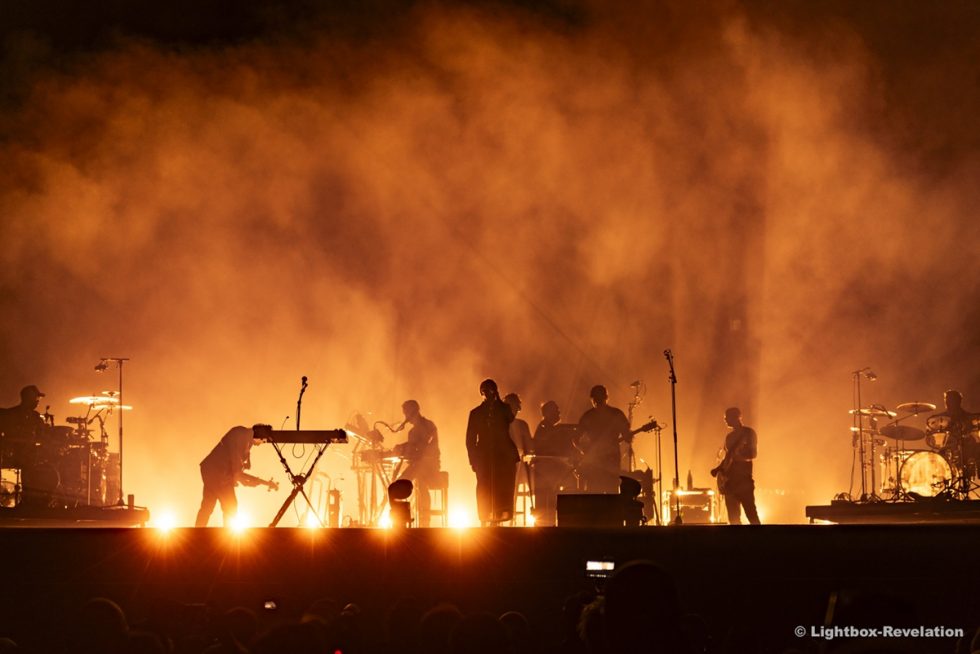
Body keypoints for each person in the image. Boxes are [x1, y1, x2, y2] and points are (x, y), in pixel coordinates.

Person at [195, 423, 275, 527]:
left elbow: (237, 471)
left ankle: (197, 532)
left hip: (211, 470)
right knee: (230, 505)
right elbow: (237, 469)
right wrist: (251, 481)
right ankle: (227, 536)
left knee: (208, 504)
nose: (261, 444)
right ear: (260, 435)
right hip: (219, 473)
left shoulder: (244, 437)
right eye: (263, 441)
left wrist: (253, 481)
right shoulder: (243, 436)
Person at [466, 379, 517, 525]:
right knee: (484, 488)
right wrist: (473, 460)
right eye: (485, 391)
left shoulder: (503, 409)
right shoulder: (475, 413)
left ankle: (500, 518)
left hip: (504, 456)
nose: (488, 394)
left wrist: (499, 402)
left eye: (491, 390)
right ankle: (485, 518)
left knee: (504, 487)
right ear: (481, 393)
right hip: (484, 457)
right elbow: (470, 439)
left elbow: (510, 418)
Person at [530, 400, 579, 525]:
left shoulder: (550, 428)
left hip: (554, 469)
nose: (559, 412)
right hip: (547, 472)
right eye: (556, 410)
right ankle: (567, 516)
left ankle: (565, 515)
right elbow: (544, 448)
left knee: (572, 481)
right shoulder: (543, 428)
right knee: (572, 482)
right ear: (548, 413)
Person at [393, 399, 441, 527]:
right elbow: (413, 448)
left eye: (406, 413)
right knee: (402, 481)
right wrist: (402, 448)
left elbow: (424, 446)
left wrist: (404, 448)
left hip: (430, 465)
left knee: (402, 482)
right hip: (419, 465)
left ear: (412, 412)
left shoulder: (428, 425)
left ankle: (421, 519)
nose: (405, 417)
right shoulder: (412, 432)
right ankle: (403, 518)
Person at [577, 385, 630, 493]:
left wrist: (585, 451)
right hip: (608, 461)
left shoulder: (588, 416)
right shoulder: (616, 414)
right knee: (610, 493)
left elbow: (574, 438)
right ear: (607, 397)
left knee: (596, 494)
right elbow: (627, 437)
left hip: (599, 462)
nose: (597, 401)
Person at [717, 407, 760, 525]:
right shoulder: (729, 437)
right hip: (730, 482)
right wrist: (719, 471)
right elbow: (727, 458)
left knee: (751, 514)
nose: (725, 419)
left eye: (727, 417)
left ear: (736, 417)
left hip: (743, 481)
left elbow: (753, 454)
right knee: (733, 519)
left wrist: (737, 456)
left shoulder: (748, 433)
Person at [0, 385, 47, 469]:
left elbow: (42, 434)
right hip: (16, 457)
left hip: (23, 457)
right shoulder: (10, 415)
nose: (38, 401)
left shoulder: (35, 416)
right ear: (29, 398)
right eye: (37, 398)